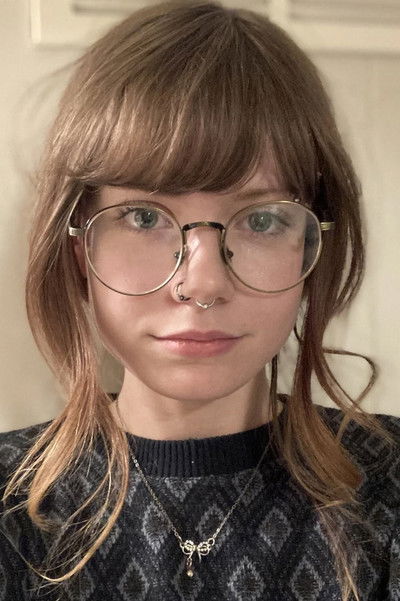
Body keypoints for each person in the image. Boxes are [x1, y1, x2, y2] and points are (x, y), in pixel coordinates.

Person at [0, 1, 399, 599]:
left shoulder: (388, 489)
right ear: (79, 245)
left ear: (311, 247)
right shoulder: (10, 506)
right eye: (143, 216)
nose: (203, 283)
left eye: (261, 220)